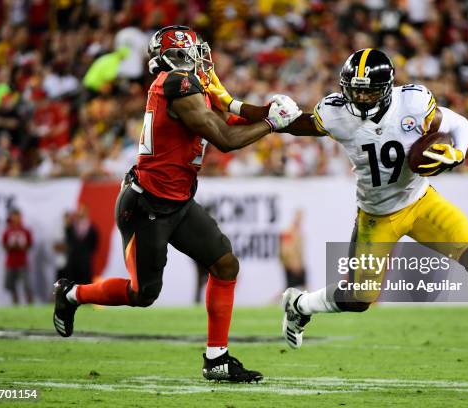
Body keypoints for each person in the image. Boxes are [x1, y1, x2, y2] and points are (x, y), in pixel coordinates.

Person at [208, 48, 468, 367]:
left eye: (369, 92)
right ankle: (300, 304)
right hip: (376, 216)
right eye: (355, 91)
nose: (361, 99)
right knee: (359, 299)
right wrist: (232, 103)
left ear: (387, 89)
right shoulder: (336, 113)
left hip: (420, 200)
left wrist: (458, 153)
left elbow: (460, 124)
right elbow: (289, 122)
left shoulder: (414, 102)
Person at [52, 25, 301, 383]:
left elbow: (229, 114)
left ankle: (217, 358)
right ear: (177, 55)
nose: (202, 57)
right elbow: (226, 138)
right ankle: (72, 293)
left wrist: (270, 111)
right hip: (147, 205)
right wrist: (272, 125)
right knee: (143, 294)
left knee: (225, 264)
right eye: (194, 51)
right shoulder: (177, 85)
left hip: (178, 200)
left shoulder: (190, 85)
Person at [2, 208, 33, 305]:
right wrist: (12, 246)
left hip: (22, 261)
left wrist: (21, 247)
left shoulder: (25, 230)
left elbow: (30, 245)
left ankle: (30, 303)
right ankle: (15, 302)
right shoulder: (7, 231)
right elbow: (4, 245)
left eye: (17, 216)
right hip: (11, 262)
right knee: (9, 285)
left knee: (26, 285)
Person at [63, 206, 98, 284]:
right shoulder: (71, 226)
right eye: (80, 211)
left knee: (85, 283)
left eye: (83, 212)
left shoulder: (92, 228)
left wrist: (87, 253)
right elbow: (68, 240)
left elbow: (94, 243)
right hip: (73, 261)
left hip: (85, 260)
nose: (81, 213)